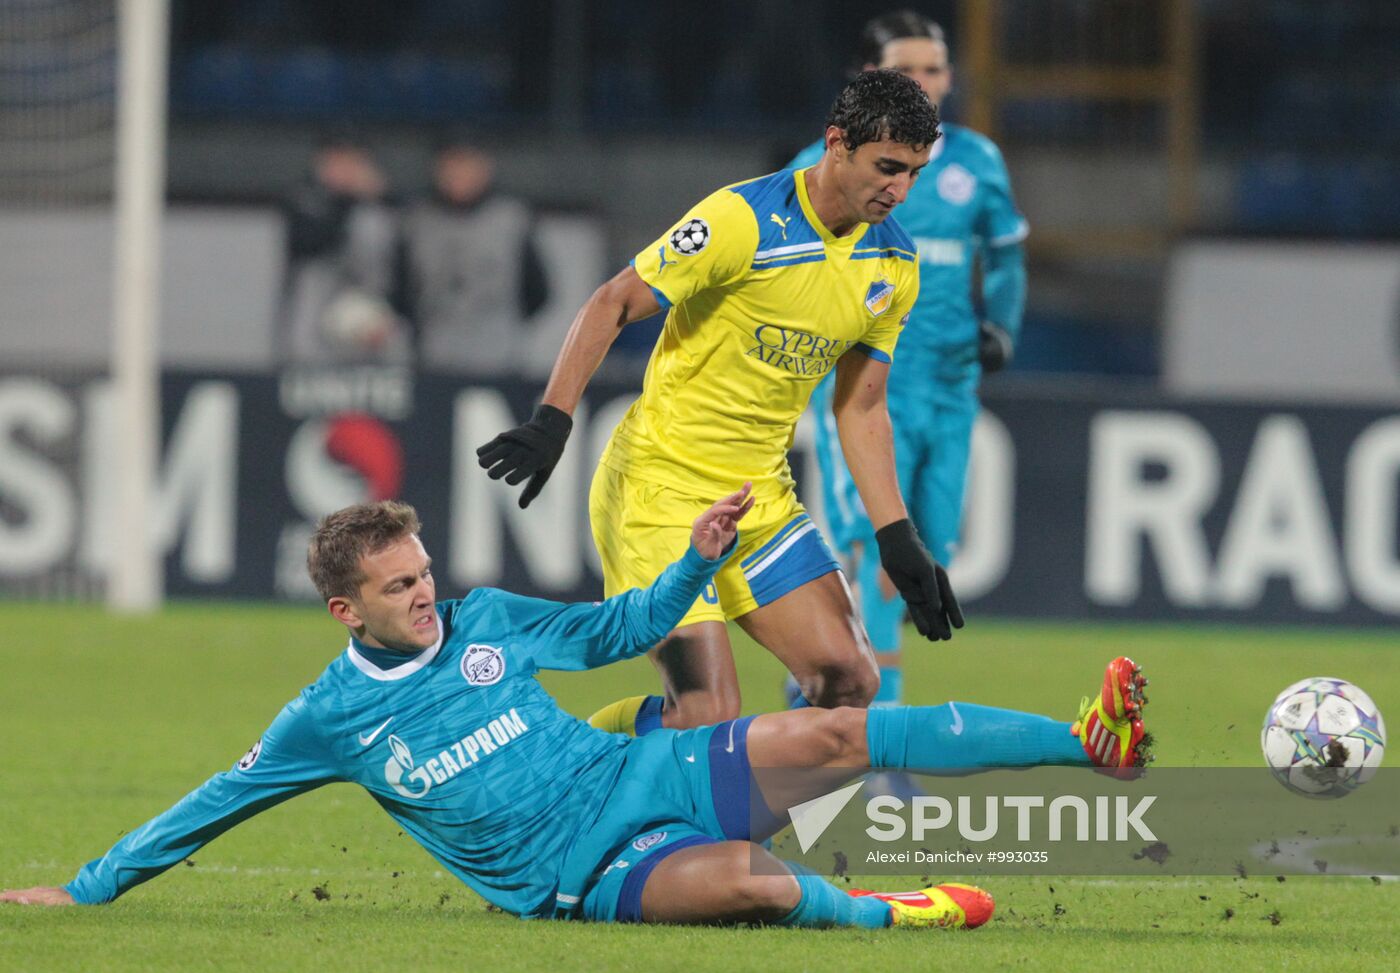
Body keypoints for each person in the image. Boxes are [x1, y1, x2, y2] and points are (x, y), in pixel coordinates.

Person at [0, 490, 1149, 926]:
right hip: (581, 875)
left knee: (842, 729)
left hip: (641, 780)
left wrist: (695, 567)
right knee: (751, 885)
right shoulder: (327, 718)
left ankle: (1081, 742)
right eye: (400, 589)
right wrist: (88, 886)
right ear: (349, 612)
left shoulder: (486, 615)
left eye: (426, 572)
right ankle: (886, 912)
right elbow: (215, 803)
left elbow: (609, 633)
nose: (428, 596)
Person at [478, 70, 962, 738]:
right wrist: (553, 418)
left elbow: (860, 407)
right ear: (836, 144)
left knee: (851, 681)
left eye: (914, 172)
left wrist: (894, 535)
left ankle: (787, 836)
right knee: (706, 710)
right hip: (658, 490)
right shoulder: (743, 220)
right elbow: (614, 300)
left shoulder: (894, 266)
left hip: (757, 500)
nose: (899, 189)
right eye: (887, 167)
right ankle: (572, 759)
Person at [791, 12, 1029, 709]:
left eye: (933, 68)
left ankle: (824, 680)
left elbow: (1007, 258)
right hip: (862, 385)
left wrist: (1003, 328)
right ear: (869, 77)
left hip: (950, 385)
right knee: (872, 549)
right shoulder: (822, 161)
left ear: (950, 77)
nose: (923, 81)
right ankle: (877, 732)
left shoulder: (978, 161)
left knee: (929, 552)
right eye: (907, 69)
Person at [403, 141, 551, 374]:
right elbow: (400, 288)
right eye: (451, 165)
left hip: (498, 356)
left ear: (485, 168)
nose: (458, 175)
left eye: (467, 165)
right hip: (435, 355)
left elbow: (538, 290)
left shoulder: (510, 219)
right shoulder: (418, 220)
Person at [279, 136, 412, 366]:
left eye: (353, 160)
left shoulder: (385, 208)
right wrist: (348, 199)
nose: (345, 169)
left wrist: (383, 198)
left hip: (371, 320)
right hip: (314, 329)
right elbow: (310, 243)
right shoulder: (303, 199)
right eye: (337, 160)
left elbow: (405, 271)